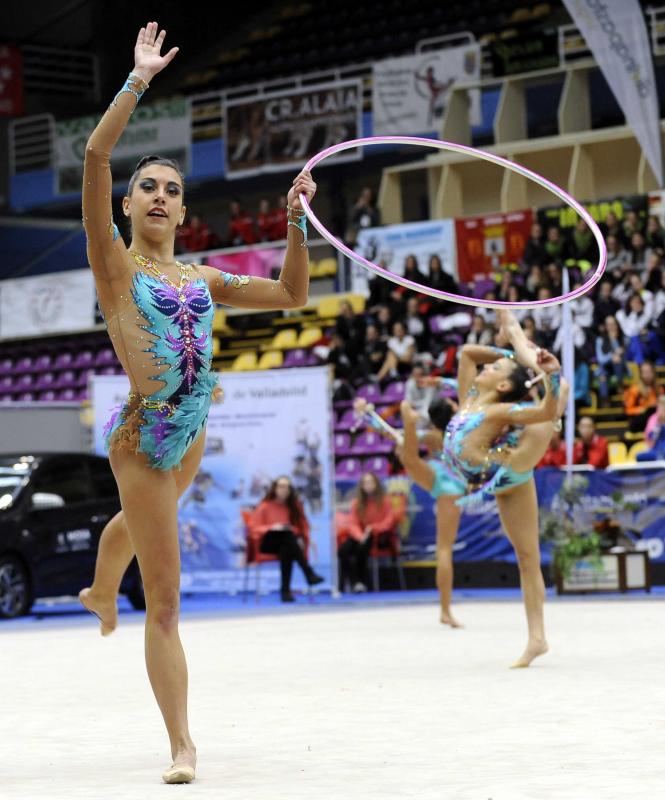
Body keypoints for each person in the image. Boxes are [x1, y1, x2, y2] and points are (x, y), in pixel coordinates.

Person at [76, 21, 317, 785]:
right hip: (146, 437)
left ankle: (98, 586)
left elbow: (290, 292)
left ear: (185, 215)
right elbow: (94, 154)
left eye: (172, 190)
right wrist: (138, 78)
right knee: (170, 599)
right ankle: (182, 743)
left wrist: (294, 222)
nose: (159, 195)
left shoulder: (203, 279)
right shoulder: (114, 265)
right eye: (147, 185)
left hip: (191, 432)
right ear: (126, 206)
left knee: (141, 528)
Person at [248, 476, 323, 602]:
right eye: (281, 486)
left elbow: (302, 527)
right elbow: (253, 528)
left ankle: (285, 592)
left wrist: (295, 533)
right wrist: (272, 527)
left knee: (286, 547)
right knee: (286, 536)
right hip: (266, 543)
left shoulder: (294, 507)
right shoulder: (264, 506)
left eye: (287, 487)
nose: (284, 489)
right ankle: (308, 572)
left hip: (287, 542)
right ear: (275, 488)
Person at [338, 472, 396, 592]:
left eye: (370, 482)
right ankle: (355, 582)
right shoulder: (357, 503)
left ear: (376, 484)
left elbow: (389, 522)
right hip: (360, 534)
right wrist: (360, 536)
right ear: (361, 486)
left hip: (378, 535)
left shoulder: (386, 501)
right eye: (365, 483)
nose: (368, 485)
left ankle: (361, 581)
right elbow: (352, 523)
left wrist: (373, 528)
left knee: (362, 548)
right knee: (344, 550)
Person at [623, 360, 662, 433]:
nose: (647, 375)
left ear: (653, 373)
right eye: (645, 372)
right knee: (648, 414)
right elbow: (627, 410)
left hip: (655, 419)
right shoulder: (635, 389)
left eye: (649, 372)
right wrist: (641, 409)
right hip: (639, 420)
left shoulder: (659, 389)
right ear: (641, 374)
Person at [636, 396, 665, 461]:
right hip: (655, 449)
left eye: (663, 406)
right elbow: (649, 437)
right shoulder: (654, 419)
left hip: (663, 449)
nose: (661, 408)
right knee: (639, 456)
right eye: (660, 406)